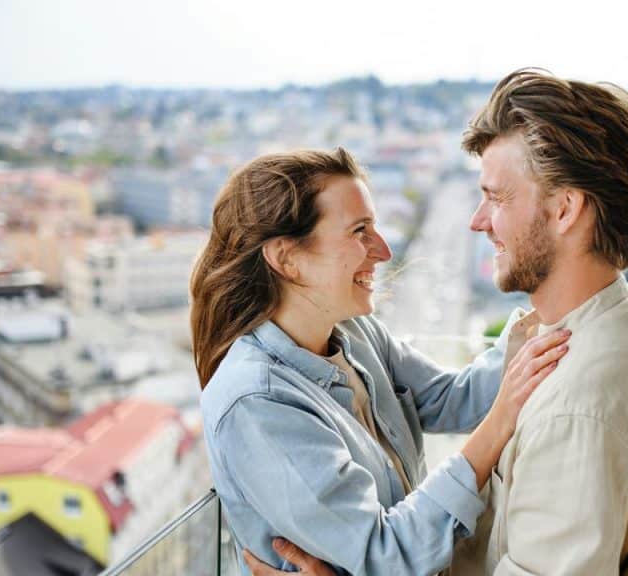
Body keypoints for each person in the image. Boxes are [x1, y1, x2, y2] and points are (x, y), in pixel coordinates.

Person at [247, 69, 628, 576]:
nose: (477, 221)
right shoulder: (587, 338)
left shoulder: (581, 407)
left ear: (566, 209)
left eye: (496, 198)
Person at [192, 147, 570, 576]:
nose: (384, 251)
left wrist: (553, 307)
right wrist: (499, 423)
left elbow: (451, 399)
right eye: (360, 231)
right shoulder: (256, 402)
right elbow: (386, 556)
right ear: (286, 258)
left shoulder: (353, 331)